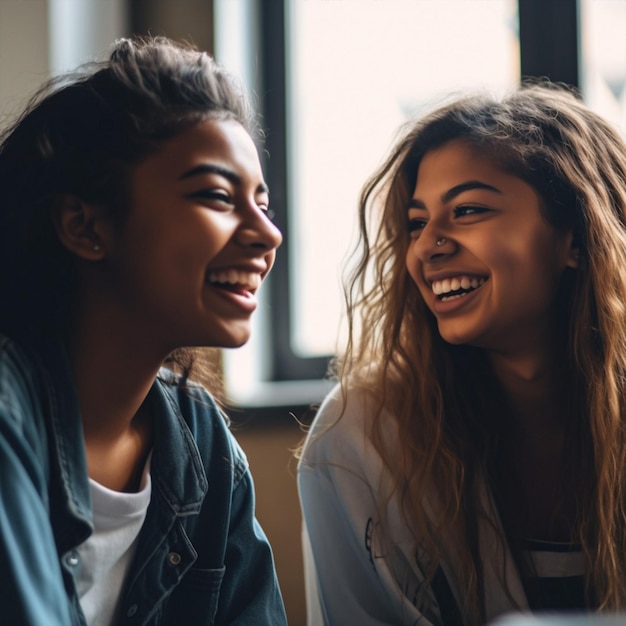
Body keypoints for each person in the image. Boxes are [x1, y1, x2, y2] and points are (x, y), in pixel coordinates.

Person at [297, 82, 626, 625]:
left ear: (576, 236)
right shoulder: (362, 436)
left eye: (468, 210)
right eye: (417, 223)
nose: (427, 246)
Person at [0, 36, 287, 625]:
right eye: (216, 196)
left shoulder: (202, 444)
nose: (267, 235)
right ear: (84, 225)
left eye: (263, 204)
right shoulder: (7, 413)